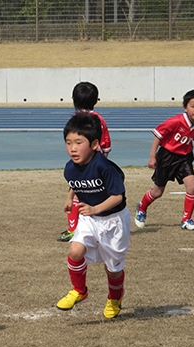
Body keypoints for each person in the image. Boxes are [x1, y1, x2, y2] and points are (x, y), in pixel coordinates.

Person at [56, 112, 131, 319]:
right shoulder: (70, 168)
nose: (72, 148)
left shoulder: (105, 167)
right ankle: (80, 291)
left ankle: (115, 298)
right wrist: (70, 197)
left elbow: (117, 196)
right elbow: (76, 183)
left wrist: (96, 209)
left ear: (95, 144)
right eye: (68, 142)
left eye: (79, 142)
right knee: (75, 250)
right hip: (89, 220)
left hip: (114, 222)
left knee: (113, 269)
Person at [134, 88, 194, 231]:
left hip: (184, 158)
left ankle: (187, 220)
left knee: (192, 187)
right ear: (185, 107)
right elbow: (158, 136)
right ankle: (142, 207)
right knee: (158, 192)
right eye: (193, 106)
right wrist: (152, 156)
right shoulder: (176, 121)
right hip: (167, 156)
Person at [57, 81, 112, 242]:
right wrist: (104, 159)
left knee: (77, 191)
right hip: (97, 161)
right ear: (96, 100)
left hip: (83, 163)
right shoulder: (99, 119)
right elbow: (106, 143)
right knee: (89, 191)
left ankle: (74, 228)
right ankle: (84, 228)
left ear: (73, 99)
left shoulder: (76, 119)